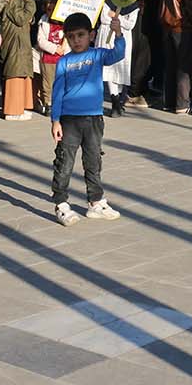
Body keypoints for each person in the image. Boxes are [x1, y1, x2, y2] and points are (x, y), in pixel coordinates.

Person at [50, 12, 126, 226]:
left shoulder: (98, 55)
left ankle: (96, 201)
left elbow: (118, 54)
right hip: (68, 121)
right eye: (71, 36)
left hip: (93, 119)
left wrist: (118, 32)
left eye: (81, 35)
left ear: (91, 35)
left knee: (93, 162)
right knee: (64, 163)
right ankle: (61, 204)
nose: (76, 40)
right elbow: (57, 92)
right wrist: (55, 120)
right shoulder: (63, 62)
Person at [0, 0, 37, 120]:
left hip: (21, 41)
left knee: (23, 74)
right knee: (15, 73)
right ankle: (12, 109)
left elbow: (27, 18)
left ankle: (22, 106)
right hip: (15, 42)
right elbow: (21, 18)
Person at [100, 0, 138, 116]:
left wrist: (116, 16)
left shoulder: (134, 6)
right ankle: (115, 102)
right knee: (110, 69)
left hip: (123, 36)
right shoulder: (107, 1)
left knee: (120, 70)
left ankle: (118, 102)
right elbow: (104, 18)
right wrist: (120, 18)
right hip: (107, 34)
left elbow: (129, 24)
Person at [36, 0, 68, 115]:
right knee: (48, 83)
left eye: (53, 9)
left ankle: (60, 103)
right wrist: (55, 49)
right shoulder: (43, 21)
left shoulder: (65, 21)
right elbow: (41, 40)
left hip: (62, 59)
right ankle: (48, 104)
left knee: (62, 82)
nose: (50, 12)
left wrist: (64, 49)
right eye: (48, 9)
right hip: (48, 58)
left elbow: (70, 38)